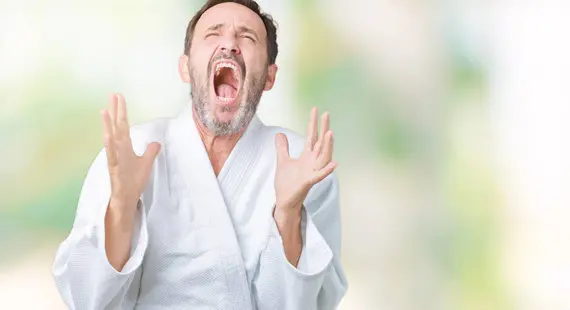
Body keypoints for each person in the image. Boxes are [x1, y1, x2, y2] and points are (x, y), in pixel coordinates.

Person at [52, 0, 348, 309]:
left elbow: (311, 304)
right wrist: (122, 207)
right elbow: (85, 298)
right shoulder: (133, 150)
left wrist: (287, 214)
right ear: (185, 67)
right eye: (213, 34)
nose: (230, 45)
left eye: (247, 37)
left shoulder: (304, 163)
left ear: (270, 77)